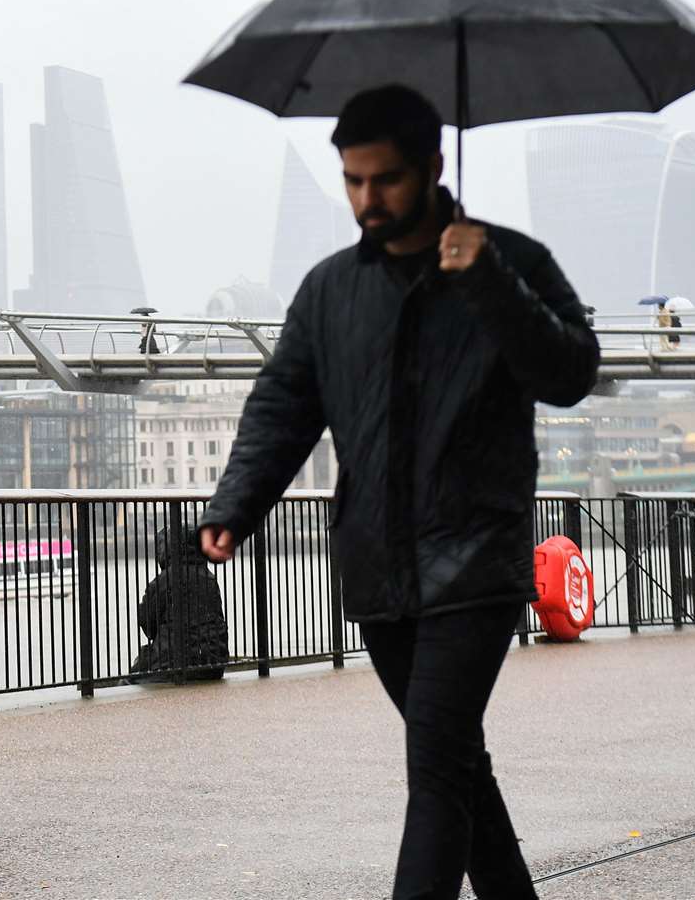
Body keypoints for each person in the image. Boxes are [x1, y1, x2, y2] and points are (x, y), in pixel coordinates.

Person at [199, 85, 599, 900]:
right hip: (377, 567)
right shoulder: (330, 290)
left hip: (474, 563)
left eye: (383, 180)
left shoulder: (511, 261)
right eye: (352, 181)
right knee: (456, 764)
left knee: (435, 766)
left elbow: (570, 373)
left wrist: (487, 279)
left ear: (431, 167)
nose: (366, 200)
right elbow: (283, 405)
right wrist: (235, 506)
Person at [129, 523, 229, 683]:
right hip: (213, 663)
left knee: (131, 678)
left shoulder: (165, 581)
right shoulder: (209, 579)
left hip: (174, 663)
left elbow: (147, 623)